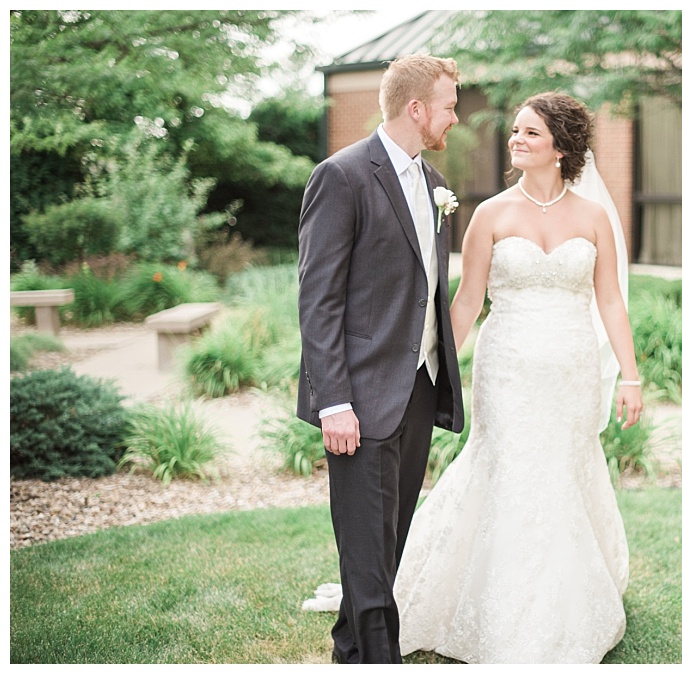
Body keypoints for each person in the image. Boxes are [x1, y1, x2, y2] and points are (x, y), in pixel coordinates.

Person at [305, 91, 644, 663]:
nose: (515, 139)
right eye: (515, 130)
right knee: (508, 470)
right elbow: (463, 304)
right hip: (505, 368)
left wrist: (630, 377)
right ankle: (491, 602)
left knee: (562, 473)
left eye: (530, 133)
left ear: (560, 148)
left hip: (570, 369)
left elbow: (609, 300)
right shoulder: (488, 213)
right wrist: (431, 373)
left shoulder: (593, 218)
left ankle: (565, 603)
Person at [296, 54, 465, 665]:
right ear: (417, 109)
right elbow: (318, 300)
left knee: (389, 538)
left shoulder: (433, 182)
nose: (455, 116)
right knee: (366, 541)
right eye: (449, 105)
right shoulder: (341, 176)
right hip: (360, 395)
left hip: (418, 384)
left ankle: (350, 648)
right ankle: (376, 657)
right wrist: (333, 401)